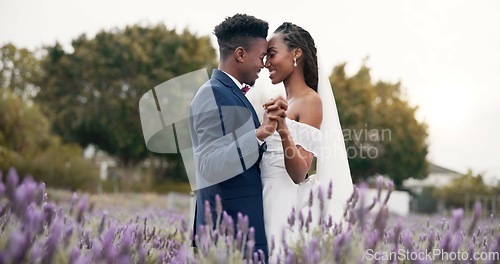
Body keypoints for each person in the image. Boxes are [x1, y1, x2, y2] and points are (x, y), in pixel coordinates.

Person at [188, 14, 287, 260]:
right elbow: (208, 165)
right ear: (240, 54)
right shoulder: (211, 94)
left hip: (237, 233)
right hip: (227, 234)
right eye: (261, 56)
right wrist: (260, 134)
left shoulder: (229, 94)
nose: (264, 64)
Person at [259, 22, 354, 258]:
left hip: (283, 203)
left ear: (296, 53)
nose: (266, 63)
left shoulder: (310, 101)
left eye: (272, 55)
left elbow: (300, 172)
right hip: (263, 195)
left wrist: (282, 130)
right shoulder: (281, 102)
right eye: (264, 57)